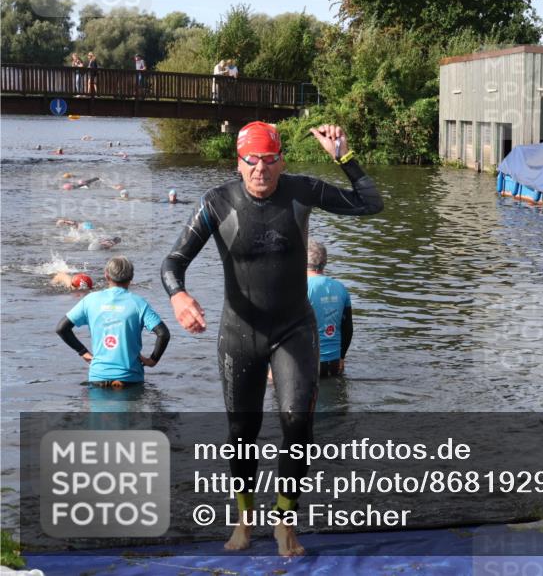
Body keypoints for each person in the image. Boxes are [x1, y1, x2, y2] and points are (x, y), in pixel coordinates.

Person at [161, 121, 382, 556]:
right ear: (238, 163)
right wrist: (178, 295)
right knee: (242, 432)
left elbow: (369, 203)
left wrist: (345, 157)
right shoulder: (217, 202)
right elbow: (173, 261)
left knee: (297, 424)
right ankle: (245, 521)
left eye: (268, 160)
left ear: (281, 161)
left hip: (294, 329)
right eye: (251, 161)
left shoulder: (301, 191)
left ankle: (284, 521)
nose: (260, 170)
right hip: (239, 334)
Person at [56, 256, 170, 388]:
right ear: (131, 278)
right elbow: (163, 334)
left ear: (106, 276)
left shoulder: (90, 300)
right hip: (130, 379)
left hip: (98, 377)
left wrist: (83, 352)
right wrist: (152, 360)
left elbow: (61, 328)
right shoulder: (138, 303)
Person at [306, 240, 353, 378]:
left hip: (306, 364)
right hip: (333, 364)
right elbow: (348, 328)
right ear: (324, 262)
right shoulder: (340, 288)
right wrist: (341, 358)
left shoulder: (299, 288)